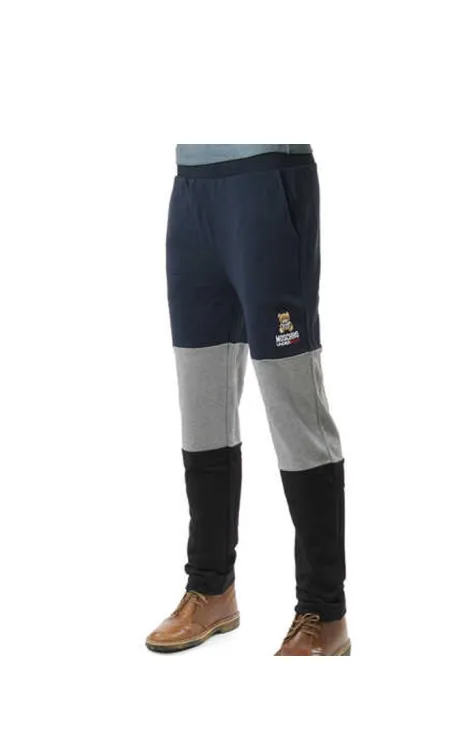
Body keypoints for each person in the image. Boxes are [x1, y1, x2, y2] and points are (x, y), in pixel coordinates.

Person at [145, 144, 350, 656]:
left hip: (267, 182)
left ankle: (325, 612)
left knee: (292, 402)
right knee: (201, 404)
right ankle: (211, 587)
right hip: (192, 189)